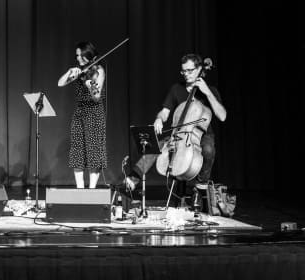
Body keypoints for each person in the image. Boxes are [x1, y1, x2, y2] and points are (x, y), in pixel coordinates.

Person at [124, 53, 227, 192]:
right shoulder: (176, 89)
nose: (186, 74)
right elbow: (164, 112)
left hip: (203, 134)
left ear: (199, 69)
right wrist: (159, 119)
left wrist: (207, 92)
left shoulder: (211, 90)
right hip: (180, 134)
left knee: (208, 149)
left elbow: (222, 116)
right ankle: (133, 178)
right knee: (156, 145)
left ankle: (201, 185)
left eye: (190, 70)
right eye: (183, 71)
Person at [58, 41, 107, 189]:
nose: (78, 58)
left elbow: (96, 97)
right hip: (79, 113)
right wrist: (70, 72)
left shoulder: (98, 70)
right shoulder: (80, 71)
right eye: (77, 55)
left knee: (93, 152)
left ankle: (91, 190)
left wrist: (89, 84)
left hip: (94, 113)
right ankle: (80, 190)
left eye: (80, 55)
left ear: (88, 55)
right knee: (78, 152)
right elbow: (60, 83)